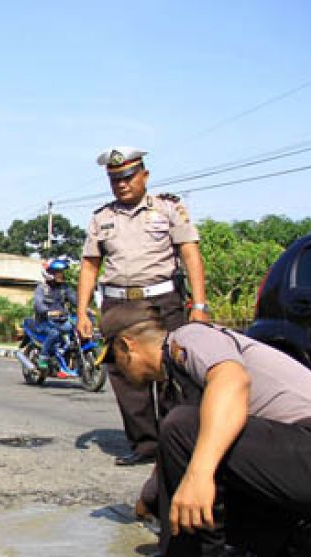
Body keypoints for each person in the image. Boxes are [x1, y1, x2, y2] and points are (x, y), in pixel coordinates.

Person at [97, 302, 311, 557]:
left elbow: (231, 381)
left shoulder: (189, 337)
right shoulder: (182, 374)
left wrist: (198, 476)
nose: (118, 371)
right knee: (187, 457)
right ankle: (295, 536)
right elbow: (179, 456)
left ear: (126, 346)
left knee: (183, 428)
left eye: (113, 360)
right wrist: (151, 501)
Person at [76, 147, 209, 467]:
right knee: (126, 379)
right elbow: (90, 265)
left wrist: (200, 305)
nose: (121, 184)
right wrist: (82, 310)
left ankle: (175, 444)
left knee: (171, 376)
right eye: (114, 179)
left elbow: (191, 255)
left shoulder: (169, 208)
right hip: (118, 305)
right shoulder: (101, 218)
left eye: (127, 177)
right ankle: (145, 445)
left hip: (162, 304)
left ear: (144, 176)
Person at [32, 258, 78, 370]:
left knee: (76, 330)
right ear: (49, 273)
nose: (60, 275)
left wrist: (84, 308)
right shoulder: (42, 288)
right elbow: (38, 304)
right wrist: (48, 311)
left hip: (61, 321)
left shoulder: (64, 288)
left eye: (61, 272)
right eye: (58, 272)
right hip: (44, 322)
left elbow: (75, 299)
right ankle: (43, 356)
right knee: (54, 333)